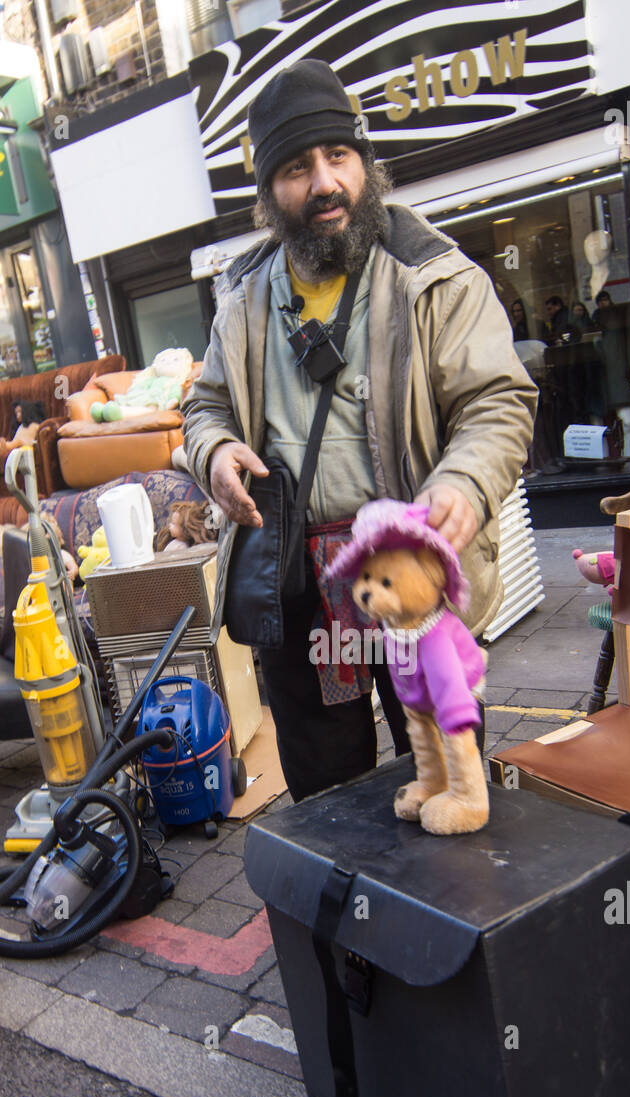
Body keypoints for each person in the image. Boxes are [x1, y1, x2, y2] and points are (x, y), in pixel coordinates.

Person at [181, 58, 537, 803]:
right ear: (268, 192)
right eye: (295, 168)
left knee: (440, 762)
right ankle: (344, 913)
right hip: (300, 589)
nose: (323, 183)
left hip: (406, 578)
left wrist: (467, 479)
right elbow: (205, 406)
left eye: (337, 156)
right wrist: (212, 451)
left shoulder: (434, 275)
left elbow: (497, 400)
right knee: (325, 791)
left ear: (363, 163)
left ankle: (448, 905)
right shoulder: (243, 299)